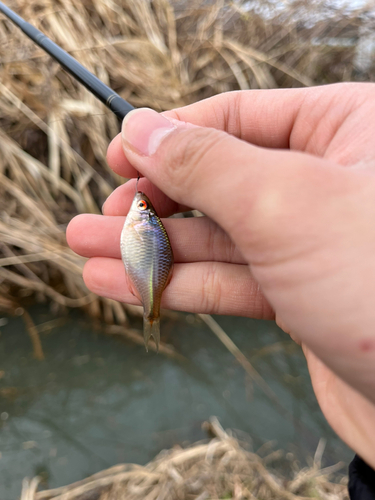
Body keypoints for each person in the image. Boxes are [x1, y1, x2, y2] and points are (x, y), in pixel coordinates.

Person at [67, 82, 375, 498]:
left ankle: (149, 319)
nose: (140, 207)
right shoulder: (144, 225)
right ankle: (150, 316)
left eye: (142, 208)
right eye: (144, 208)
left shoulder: (141, 219)